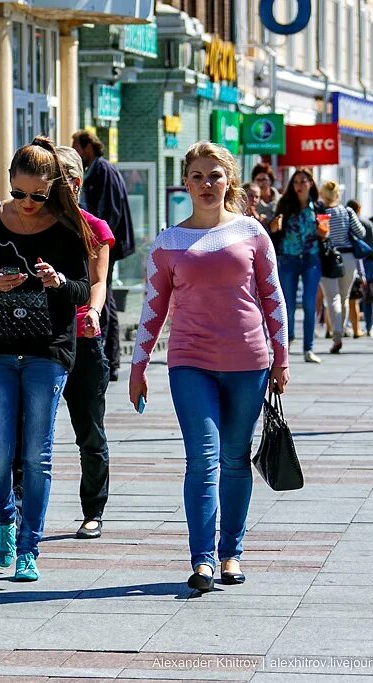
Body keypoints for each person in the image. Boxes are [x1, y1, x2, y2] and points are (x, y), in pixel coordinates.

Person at [129, 142, 289, 592]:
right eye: (197, 176)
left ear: (229, 181)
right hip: (190, 362)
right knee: (203, 458)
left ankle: (230, 553)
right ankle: (201, 559)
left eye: (214, 175)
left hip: (248, 361)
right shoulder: (169, 242)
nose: (206, 184)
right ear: (186, 182)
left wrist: (282, 357)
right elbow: (152, 309)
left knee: (235, 459)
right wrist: (138, 367)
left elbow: (273, 297)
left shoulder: (253, 234)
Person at [0, 137, 90, 582]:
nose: (28, 203)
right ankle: (5, 517)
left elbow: (83, 291)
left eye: (38, 195)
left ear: (52, 188)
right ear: (10, 180)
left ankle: (30, 547)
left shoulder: (67, 226)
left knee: (38, 454)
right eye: (20, 193)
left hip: (47, 351)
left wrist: (58, 281)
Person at [57, 146, 116, 538]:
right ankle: (18, 507)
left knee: (89, 431)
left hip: (82, 339)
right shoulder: (28, 224)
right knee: (27, 430)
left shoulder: (95, 228)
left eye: (55, 178)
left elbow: (98, 281)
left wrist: (93, 311)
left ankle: (93, 511)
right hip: (37, 340)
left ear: (75, 184)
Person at [72, 129, 134, 382]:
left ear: (88, 147)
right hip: (103, 243)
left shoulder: (103, 170)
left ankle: (108, 357)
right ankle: (110, 358)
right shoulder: (98, 169)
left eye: (76, 147)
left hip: (105, 244)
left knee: (103, 299)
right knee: (105, 298)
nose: (75, 152)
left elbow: (109, 212)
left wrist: (97, 243)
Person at [271, 169, 326, 363]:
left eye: (303, 181)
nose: (299, 185)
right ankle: (289, 337)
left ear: (311, 183)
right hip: (288, 258)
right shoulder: (285, 205)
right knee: (288, 305)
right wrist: (275, 226)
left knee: (310, 305)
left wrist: (323, 232)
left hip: (311, 259)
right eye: (296, 182)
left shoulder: (318, 207)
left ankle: (308, 349)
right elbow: (274, 230)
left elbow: (325, 234)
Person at [318, 181, 366, 354]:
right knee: (344, 298)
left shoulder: (322, 214)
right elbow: (361, 233)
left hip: (328, 258)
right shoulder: (347, 211)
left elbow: (323, 236)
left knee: (332, 298)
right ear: (338, 195)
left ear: (323, 195)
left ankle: (336, 336)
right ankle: (342, 331)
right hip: (348, 258)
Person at [347, 199, 373, 336]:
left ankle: (349, 325)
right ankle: (368, 325)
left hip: (350, 259)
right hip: (366, 261)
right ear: (359, 209)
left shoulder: (346, 222)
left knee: (349, 295)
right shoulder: (367, 223)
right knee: (368, 295)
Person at [252, 162, 279, 228]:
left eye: (264, 179)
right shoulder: (252, 202)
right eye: (258, 180)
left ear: (271, 181)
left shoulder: (280, 200)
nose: (261, 183)